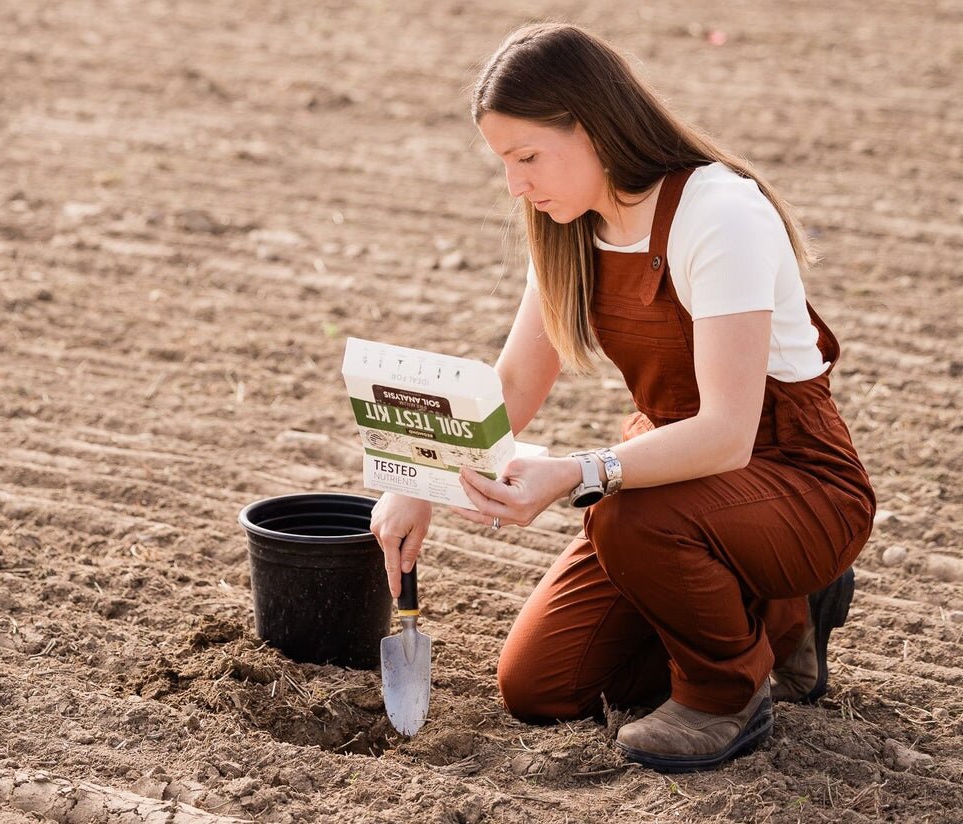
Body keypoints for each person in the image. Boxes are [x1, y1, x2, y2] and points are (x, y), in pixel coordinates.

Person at [369, 22, 875, 772]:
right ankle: (777, 614)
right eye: (504, 163)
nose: (516, 184)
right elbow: (510, 385)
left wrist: (578, 471)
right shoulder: (569, 227)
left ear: (591, 126)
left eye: (527, 157)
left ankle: (725, 694)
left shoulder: (719, 213)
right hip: (676, 484)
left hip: (792, 478)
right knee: (542, 685)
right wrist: (416, 483)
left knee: (625, 512)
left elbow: (729, 434)